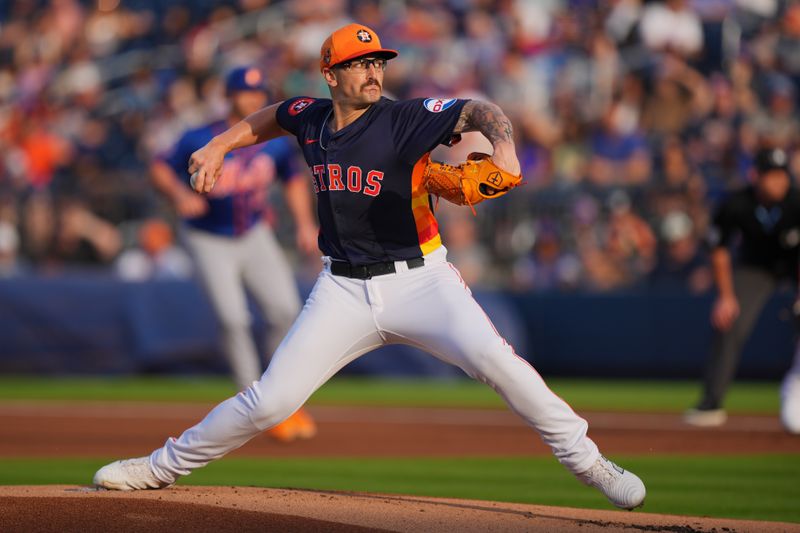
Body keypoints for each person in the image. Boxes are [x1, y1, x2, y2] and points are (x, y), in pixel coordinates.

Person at [93, 23, 646, 510]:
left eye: (377, 61)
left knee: (499, 364)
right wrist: (220, 145)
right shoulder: (310, 118)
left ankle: (590, 463)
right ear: (330, 75)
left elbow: (480, 110)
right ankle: (158, 468)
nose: (372, 70)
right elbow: (271, 117)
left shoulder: (404, 119)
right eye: (358, 63)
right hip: (342, 290)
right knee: (272, 401)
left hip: (423, 280)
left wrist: (503, 149)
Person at [149, 67, 319, 442]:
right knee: (233, 318)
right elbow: (160, 166)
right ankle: (251, 399)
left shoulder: (273, 140)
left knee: (285, 310)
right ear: (229, 94)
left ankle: (278, 397)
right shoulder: (200, 135)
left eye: (259, 93)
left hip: (254, 232)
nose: (254, 99)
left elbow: (292, 179)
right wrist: (178, 196)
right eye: (246, 92)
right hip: (208, 237)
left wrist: (305, 223)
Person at [684, 146, 800, 433]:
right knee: (729, 319)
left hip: (795, 264)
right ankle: (712, 403)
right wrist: (725, 296)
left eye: (781, 176)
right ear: (755, 176)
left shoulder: (797, 202)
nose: (778, 182)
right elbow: (719, 249)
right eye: (771, 175)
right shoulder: (737, 203)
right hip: (756, 267)